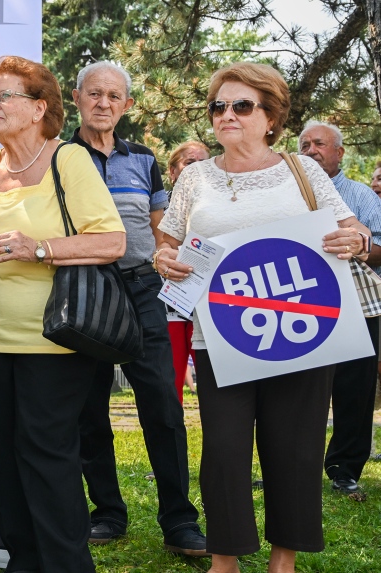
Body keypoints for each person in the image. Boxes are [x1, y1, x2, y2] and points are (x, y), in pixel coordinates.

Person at [157, 61, 369, 573]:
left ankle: (283, 562)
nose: (227, 115)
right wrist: (163, 258)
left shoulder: (304, 169)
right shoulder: (195, 177)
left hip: (305, 334)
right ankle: (224, 562)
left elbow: (352, 227)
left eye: (242, 105)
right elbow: (168, 240)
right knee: (224, 453)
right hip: (222, 337)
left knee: (295, 451)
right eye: (218, 106)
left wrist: (356, 239)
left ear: (271, 116)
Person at [0, 56, 125, 573]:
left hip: (53, 343)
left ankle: (66, 565)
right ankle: (23, 562)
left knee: (47, 458)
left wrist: (41, 249)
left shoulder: (68, 161)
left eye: (3, 96)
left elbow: (112, 241)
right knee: (3, 460)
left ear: (38, 108)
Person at [69, 61, 207, 555]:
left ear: (126, 105)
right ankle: (107, 513)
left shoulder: (145, 159)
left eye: (114, 96)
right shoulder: (57, 155)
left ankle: (179, 522)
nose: (103, 103)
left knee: (162, 406)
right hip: (84, 287)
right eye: (94, 94)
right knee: (89, 409)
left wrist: (168, 259)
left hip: (143, 288)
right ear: (77, 97)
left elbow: (160, 227)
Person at [298, 120, 381, 498]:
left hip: (358, 305)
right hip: (300, 304)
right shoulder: (288, 195)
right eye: (305, 145)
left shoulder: (362, 196)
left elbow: (380, 248)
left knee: (354, 390)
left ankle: (344, 470)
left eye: (319, 144)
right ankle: (293, 464)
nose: (311, 150)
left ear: (339, 153)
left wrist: (359, 246)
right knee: (296, 390)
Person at [166, 141, 211, 402]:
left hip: (206, 305)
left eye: (204, 164)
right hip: (169, 306)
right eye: (189, 163)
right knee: (169, 385)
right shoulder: (158, 208)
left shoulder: (220, 209)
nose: (197, 170)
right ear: (173, 172)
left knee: (212, 383)